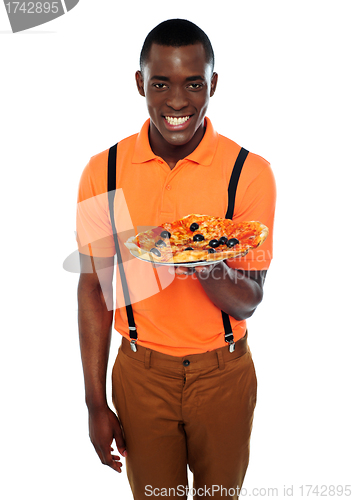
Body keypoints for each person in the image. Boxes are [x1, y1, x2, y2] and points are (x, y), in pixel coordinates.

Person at [76, 19, 276, 500]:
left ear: (213, 85)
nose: (178, 102)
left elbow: (248, 300)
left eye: (194, 83)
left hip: (223, 376)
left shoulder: (247, 173)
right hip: (140, 376)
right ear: (141, 83)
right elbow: (94, 287)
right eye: (161, 83)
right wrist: (94, 403)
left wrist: (199, 254)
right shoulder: (104, 170)